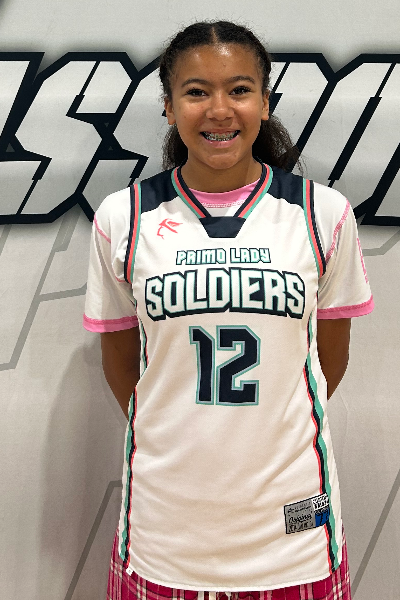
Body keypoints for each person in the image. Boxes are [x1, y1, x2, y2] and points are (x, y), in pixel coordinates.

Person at [83, 21, 374, 600]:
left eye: (239, 90)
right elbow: (122, 364)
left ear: (265, 103)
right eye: (196, 92)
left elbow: (328, 362)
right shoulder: (123, 217)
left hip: (294, 527)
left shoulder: (323, 214)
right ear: (169, 107)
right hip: (164, 526)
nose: (219, 110)